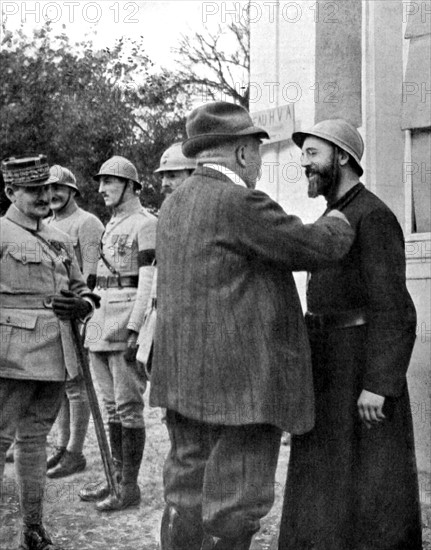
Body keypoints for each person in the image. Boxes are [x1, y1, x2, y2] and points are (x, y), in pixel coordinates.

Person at [149, 101, 355, 550]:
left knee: (186, 489)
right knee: (235, 502)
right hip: (241, 387)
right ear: (243, 154)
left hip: (185, 378)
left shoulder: (174, 204)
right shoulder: (239, 201)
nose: (260, 162)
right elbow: (312, 246)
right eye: (258, 151)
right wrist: (341, 220)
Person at [278, 119, 422, 550]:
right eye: (303, 155)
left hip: (361, 372)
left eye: (313, 154)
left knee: (373, 493)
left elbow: (394, 308)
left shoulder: (373, 216)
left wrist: (379, 384)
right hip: (327, 369)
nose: (305, 164)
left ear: (342, 157)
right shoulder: (333, 216)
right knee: (325, 487)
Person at [0, 154, 99, 550]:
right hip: (11, 356)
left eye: (48, 189)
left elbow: (82, 288)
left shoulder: (58, 237)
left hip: (57, 354)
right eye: (34, 190)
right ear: (11, 192)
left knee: (36, 440)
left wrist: (83, 306)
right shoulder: (1, 234)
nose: (45, 196)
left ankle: (33, 529)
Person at [79, 155, 157, 512]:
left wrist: (135, 329)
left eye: (109, 181)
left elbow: (148, 283)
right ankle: (114, 477)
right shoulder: (110, 226)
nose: (101, 188)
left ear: (130, 185)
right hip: (99, 320)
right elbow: (96, 279)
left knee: (128, 407)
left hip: (125, 318)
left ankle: (129, 486)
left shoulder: (145, 224)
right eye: (101, 181)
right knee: (109, 406)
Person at [44, 165, 104, 478]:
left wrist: (84, 306)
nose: (52, 194)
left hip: (79, 311)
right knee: (62, 383)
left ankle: (76, 451)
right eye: (48, 189)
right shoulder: (45, 224)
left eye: (59, 188)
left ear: (72, 191)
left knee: (77, 383)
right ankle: (63, 445)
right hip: (54, 312)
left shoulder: (87, 222)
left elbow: (92, 274)